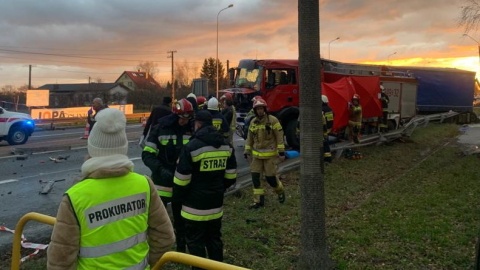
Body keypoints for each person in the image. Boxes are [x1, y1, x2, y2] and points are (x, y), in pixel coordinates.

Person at [47, 108, 175, 269]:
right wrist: (149, 262)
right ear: (123, 147)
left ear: (92, 148)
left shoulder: (75, 196)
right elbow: (165, 237)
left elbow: (60, 259)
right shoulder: (144, 184)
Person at [172, 110, 237, 266]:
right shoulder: (226, 146)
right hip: (216, 205)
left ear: (198, 124)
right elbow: (231, 177)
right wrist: (218, 189)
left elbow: (181, 181)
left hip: (193, 208)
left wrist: (182, 198)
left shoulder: (192, 147)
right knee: (214, 239)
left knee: (195, 243)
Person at [142, 98, 193, 252]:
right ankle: (159, 250)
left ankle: (181, 249)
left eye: (188, 118)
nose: (185, 122)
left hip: (181, 183)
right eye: (183, 118)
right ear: (176, 116)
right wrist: (160, 170)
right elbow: (147, 155)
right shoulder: (160, 129)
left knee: (181, 219)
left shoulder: (191, 129)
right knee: (158, 221)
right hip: (162, 183)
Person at [244, 97, 286, 209]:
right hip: (256, 156)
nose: (260, 111)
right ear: (255, 110)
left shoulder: (273, 120)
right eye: (257, 109)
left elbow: (279, 136)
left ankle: (280, 191)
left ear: (265, 109)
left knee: (271, 179)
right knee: (255, 178)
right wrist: (247, 151)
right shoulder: (253, 122)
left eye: (261, 108)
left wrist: (281, 151)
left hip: (270, 156)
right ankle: (258, 201)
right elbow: (249, 138)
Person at [322, 95, 334, 162]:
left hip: (324, 129)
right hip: (329, 128)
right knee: (326, 143)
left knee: (324, 144)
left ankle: (327, 159)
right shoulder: (330, 109)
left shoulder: (322, 110)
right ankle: (328, 157)